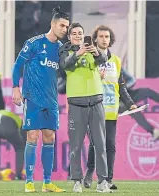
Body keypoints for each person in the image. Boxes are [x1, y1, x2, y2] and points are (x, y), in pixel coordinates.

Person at [12, 7, 69, 193]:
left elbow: (68, 72)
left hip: (51, 101)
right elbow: (17, 65)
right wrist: (15, 88)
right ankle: (29, 181)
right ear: (52, 24)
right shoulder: (34, 43)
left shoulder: (61, 50)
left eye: (67, 27)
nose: (64, 29)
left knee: (49, 137)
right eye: (62, 25)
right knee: (32, 136)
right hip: (33, 98)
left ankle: (47, 182)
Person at [59, 23, 112, 193]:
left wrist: (96, 52)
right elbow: (65, 65)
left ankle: (103, 181)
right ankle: (76, 181)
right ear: (69, 37)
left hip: (96, 102)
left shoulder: (92, 50)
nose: (77, 36)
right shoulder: (65, 51)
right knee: (76, 146)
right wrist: (78, 53)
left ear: (84, 35)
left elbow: (104, 59)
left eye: (80, 33)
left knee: (100, 145)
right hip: (76, 104)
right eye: (74, 33)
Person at [83, 25, 138, 190]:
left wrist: (130, 104)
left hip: (112, 111)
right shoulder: (89, 58)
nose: (104, 39)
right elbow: (84, 83)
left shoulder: (116, 61)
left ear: (110, 39)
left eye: (107, 36)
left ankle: (108, 179)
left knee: (111, 146)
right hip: (94, 108)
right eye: (101, 36)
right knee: (95, 144)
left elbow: (121, 87)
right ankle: (90, 172)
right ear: (96, 39)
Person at [0, 110, 26, 181]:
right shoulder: (15, 116)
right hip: (8, 126)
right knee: (20, 148)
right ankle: (18, 176)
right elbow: (23, 133)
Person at [120, 67, 159, 140]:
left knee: (146, 91)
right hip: (113, 101)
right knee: (134, 110)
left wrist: (123, 88)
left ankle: (154, 132)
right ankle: (153, 131)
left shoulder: (116, 65)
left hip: (125, 93)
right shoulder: (96, 68)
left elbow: (132, 80)